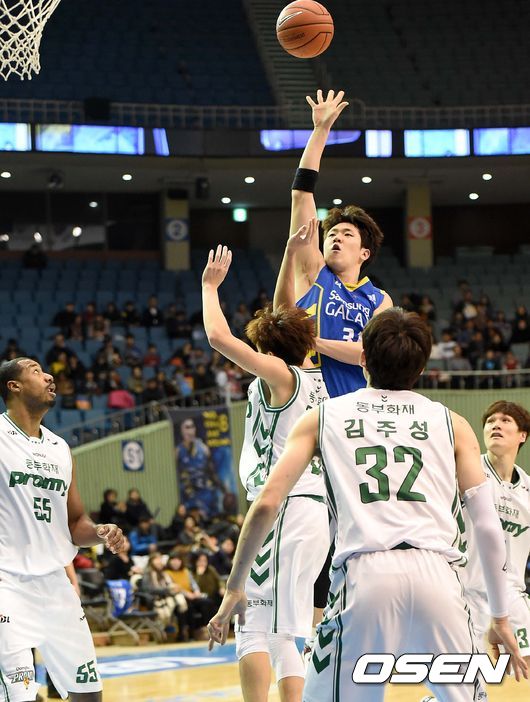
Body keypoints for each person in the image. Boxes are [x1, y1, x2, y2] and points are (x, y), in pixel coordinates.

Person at [207, 309, 528, 702]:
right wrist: (499, 616)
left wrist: (235, 586)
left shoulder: (322, 417)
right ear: (422, 368)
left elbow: (267, 503)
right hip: (440, 579)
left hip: (364, 576)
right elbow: (488, 528)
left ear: (362, 358)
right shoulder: (453, 423)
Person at [202, 243, 330, 702]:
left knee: (251, 627)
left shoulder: (280, 376)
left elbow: (218, 338)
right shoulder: (322, 379)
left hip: (285, 508)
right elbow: (287, 314)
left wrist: (209, 288)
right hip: (312, 512)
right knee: (281, 632)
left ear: (265, 347)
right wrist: (290, 257)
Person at [0, 357, 125, 702]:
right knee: (20, 697)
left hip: (56, 585)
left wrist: (100, 532)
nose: (49, 376)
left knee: (88, 694)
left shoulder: (60, 448)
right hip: (6, 584)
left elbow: (74, 522)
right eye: (36, 371)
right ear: (14, 386)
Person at [273, 89, 392, 399]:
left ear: (364, 253)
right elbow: (301, 194)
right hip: (307, 398)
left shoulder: (379, 300)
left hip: (355, 404)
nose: (336, 237)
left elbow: (371, 354)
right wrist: (321, 130)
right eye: (331, 234)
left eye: (347, 234)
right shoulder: (314, 271)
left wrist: (313, 342)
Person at [462, 401, 530, 667]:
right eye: (491, 421)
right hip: (465, 591)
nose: (496, 425)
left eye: (505, 420)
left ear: (522, 435)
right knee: (467, 675)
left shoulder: (528, 489)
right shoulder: (466, 472)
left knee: (523, 668)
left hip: (511, 594)